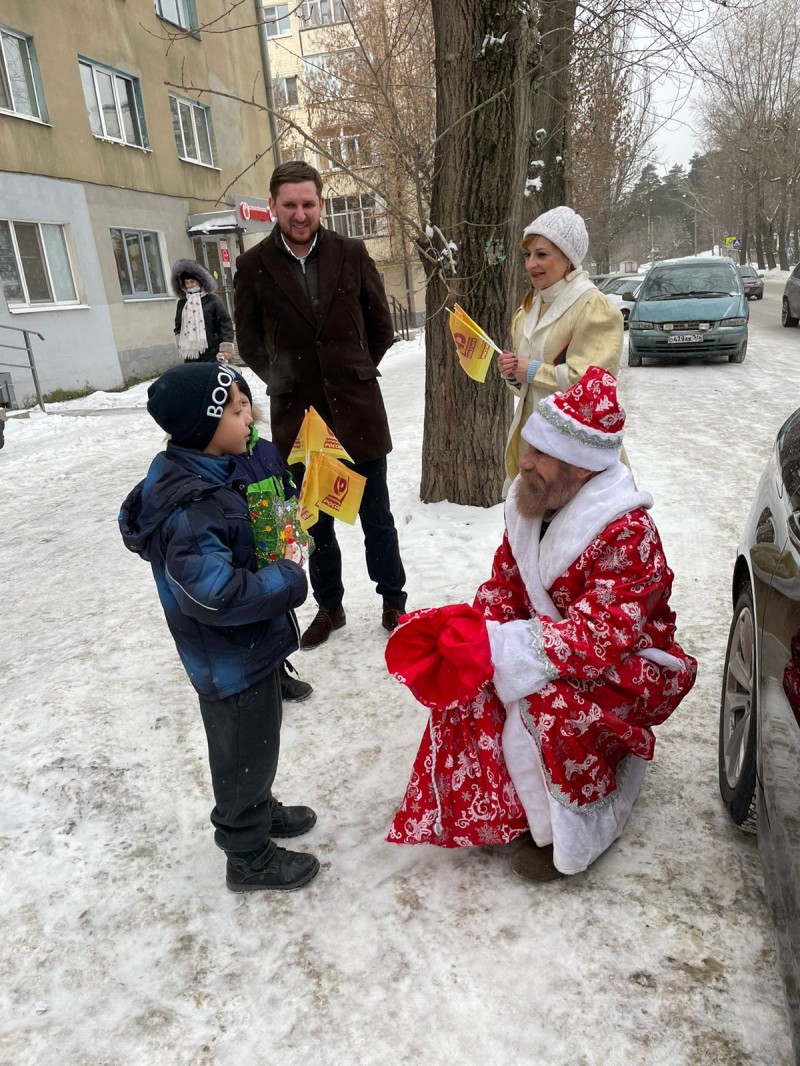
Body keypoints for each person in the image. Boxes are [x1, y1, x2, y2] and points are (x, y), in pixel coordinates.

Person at [385, 366, 696, 881]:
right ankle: (508, 805)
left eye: (540, 453)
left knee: (542, 707)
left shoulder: (629, 534)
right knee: (467, 683)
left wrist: (501, 647)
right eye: (527, 445)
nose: (523, 462)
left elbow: (600, 640)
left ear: (581, 468)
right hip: (552, 645)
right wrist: (472, 629)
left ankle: (565, 832)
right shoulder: (532, 503)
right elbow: (506, 584)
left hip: (629, 666)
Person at [118, 361, 319, 892]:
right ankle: (246, 852)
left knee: (259, 743)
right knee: (240, 754)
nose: (249, 414)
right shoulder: (189, 507)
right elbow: (214, 594)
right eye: (235, 410)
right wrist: (287, 578)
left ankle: (258, 807)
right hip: (227, 659)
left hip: (250, 647)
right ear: (203, 428)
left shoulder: (219, 472)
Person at [233, 160, 407, 649]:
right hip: (300, 420)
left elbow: (381, 327)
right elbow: (248, 339)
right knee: (315, 523)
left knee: (377, 517)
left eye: (308, 203)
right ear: (273, 207)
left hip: (358, 413)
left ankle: (394, 600)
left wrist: (354, 370)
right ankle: (330, 607)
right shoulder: (252, 266)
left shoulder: (351, 253)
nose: (299, 213)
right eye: (289, 205)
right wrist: (283, 378)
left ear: (321, 204)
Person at [496, 207, 624, 493]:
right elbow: (528, 390)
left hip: (576, 458)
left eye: (542, 254)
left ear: (568, 259)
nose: (531, 264)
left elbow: (594, 387)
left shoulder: (594, 308)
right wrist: (514, 374)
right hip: (533, 446)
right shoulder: (528, 309)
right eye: (527, 255)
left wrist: (531, 370)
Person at [228, 368, 313, 703]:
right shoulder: (221, 460)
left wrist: (296, 500)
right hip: (245, 556)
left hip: (276, 551)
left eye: (245, 404)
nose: (244, 415)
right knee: (252, 620)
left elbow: (285, 484)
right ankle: (260, 679)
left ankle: (277, 670)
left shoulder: (266, 450)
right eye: (233, 410)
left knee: (277, 614)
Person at [171, 259, 235, 363]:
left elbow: (225, 323)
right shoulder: (182, 303)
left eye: (192, 282)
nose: (189, 285)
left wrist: (226, 347)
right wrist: (180, 340)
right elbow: (178, 325)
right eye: (186, 282)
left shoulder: (213, 299)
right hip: (190, 352)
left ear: (200, 282)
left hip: (212, 351)